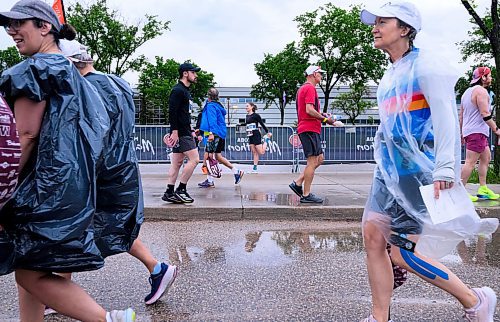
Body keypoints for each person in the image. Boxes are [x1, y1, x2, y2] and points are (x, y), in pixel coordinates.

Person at [359, 2, 498, 322]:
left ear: (405, 29)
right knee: (372, 236)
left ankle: (476, 301)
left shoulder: (426, 66)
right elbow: (388, 125)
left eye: (383, 21)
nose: (375, 27)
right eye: (374, 22)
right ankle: (379, 317)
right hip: (389, 170)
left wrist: (446, 167)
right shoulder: (390, 74)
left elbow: (447, 117)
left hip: (416, 172)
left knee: (403, 253)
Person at [0, 0, 135, 321]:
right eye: (8, 25)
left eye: (20, 24)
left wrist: (2, 192)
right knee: (29, 266)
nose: (11, 31)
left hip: (39, 189)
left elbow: (25, 135)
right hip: (71, 188)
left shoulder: (34, 70)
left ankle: (108, 319)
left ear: (45, 27)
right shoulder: (74, 74)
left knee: (29, 275)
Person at [59, 40, 177, 307]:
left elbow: (89, 132)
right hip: (122, 165)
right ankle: (59, 291)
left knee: (82, 225)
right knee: (99, 226)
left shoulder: (86, 87)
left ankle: (156, 268)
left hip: (99, 168)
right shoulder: (117, 82)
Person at [288, 65, 338, 203]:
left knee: (319, 159)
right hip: (309, 128)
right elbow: (309, 110)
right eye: (320, 74)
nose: (321, 76)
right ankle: (306, 194)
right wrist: (326, 119)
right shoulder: (309, 88)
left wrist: (322, 115)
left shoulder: (304, 88)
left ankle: (298, 183)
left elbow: (308, 110)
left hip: (310, 128)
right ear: (313, 74)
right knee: (312, 161)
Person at [460, 66, 500, 202]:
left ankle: (483, 188)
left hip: (473, 132)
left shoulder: (467, 92)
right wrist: (496, 129)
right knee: (470, 162)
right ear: (483, 78)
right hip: (476, 132)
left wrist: (461, 133)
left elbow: (462, 116)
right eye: (488, 76)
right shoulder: (481, 91)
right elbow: (485, 113)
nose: (491, 78)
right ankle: (459, 192)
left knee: (486, 157)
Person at [162, 62, 201, 204]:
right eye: (193, 72)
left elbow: (183, 114)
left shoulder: (185, 91)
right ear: (185, 73)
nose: (195, 75)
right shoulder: (178, 90)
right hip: (180, 132)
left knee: (177, 162)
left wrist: (190, 129)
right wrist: (175, 132)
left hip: (184, 131)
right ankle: (181, 189)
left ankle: (169, 192)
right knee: (195, 159)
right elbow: (172, 112)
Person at [197, 87, 244, 188]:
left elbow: (212, 120)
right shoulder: (218, 105)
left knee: (209, 156)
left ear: (208, 96)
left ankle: (210, 181)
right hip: (220, 133)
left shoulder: (210, 106)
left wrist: (210, 133)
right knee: (217, 156)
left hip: (213, 134)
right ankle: (236, 172)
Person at [245, 102, 272, 173]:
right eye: (246, 106)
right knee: (254, 152)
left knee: (261, 152)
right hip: (250, 135)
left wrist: (267, 132)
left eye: (247, 106)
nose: (246, 107)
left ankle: (266, 139)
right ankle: (254, 169)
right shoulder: (247, 116)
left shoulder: (256, 115)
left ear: (252, 107)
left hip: (256, 134)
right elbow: (247, 125)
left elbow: (262, 123)